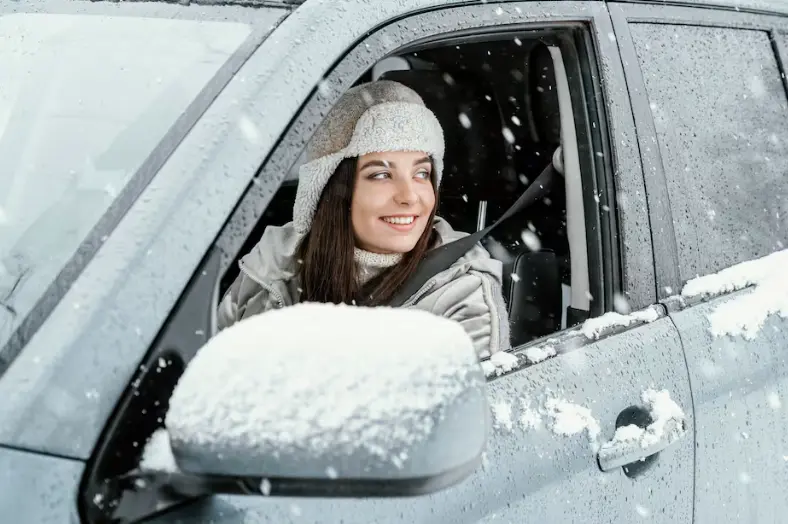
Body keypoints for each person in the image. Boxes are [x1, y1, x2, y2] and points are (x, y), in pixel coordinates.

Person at [217, 80, 510, 357]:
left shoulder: (463, 294)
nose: (409, 196)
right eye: (381, 175)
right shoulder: (275, 263)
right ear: (333, 188)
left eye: (421, 173)